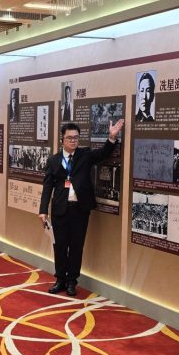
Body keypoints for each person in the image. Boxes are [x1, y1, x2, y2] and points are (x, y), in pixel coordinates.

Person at [38, 119, 125, 297]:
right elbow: (47, 186)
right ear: (62, 139)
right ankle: (60, 279)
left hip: (79, 209)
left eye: (76, 138)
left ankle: (72, 281)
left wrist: (111, 137)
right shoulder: (54, 160)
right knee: (60, 246)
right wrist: (43, 210)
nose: (73, 141)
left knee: (76, 246)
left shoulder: (84, 155)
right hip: (60, 209)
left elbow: (103, 153)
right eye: (70, 138)